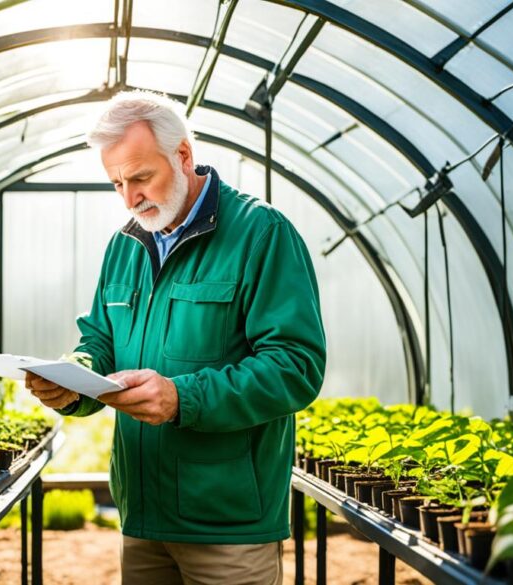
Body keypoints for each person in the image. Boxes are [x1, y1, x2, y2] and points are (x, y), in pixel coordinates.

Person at [25, 90, 326, 585]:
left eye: (141, 177)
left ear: (183, 155)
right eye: (117, 183)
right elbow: (99, 342)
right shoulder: (124, 245)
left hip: (227, 525)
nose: (129, 198)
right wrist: (73, 380)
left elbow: (296, 367)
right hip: (143, 515)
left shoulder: (260, 233)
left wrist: (182, 397)